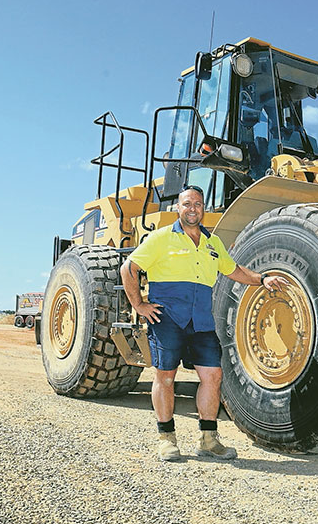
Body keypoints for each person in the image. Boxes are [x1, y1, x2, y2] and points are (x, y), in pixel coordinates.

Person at [120, 184, 288, 461]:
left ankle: (208, 440)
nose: (192, 209)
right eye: (187, 204)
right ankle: (166, 440)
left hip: (201, 322)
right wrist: (138, 305)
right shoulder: (162, 238)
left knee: (213, 376)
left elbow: (233, 270)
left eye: (197, 204)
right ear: (178, 207)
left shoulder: (213, 243)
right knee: (165, 377)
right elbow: (129, 267)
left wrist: (262, 278)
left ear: (203, 209)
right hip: (168, 318)